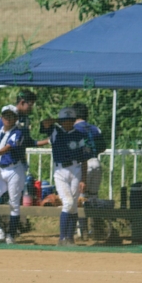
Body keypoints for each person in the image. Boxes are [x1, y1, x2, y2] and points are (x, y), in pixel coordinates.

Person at [41, 107, 88, 246]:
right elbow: (45, 123)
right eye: (64, 120)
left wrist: (83, 179)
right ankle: (62, 238)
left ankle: (70, 238)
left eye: (70, 120)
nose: (67, 123)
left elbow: (84, 158)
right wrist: (59, 120)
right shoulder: (55, 130)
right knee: (67, 202)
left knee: (73, 205)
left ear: (74, 121)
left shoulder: (79, 134)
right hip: (60, 170)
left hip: (75, 169)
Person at [0, 105, 27, 245]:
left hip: (14, 170)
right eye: (5, 115)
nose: (8, 118)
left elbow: (9, 146)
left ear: (16, 119)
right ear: (1, 117)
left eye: (11, 116)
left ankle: (11, 234)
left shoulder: (18, 132)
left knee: (14, 203)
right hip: (1, 170)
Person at [73, 102, 104, 240]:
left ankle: (82, 231)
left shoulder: (73, 129)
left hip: (82, 164)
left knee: (80, 198)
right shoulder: (95, 128)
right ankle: (97, 229)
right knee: (93, 197)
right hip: (96, 162)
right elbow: (103, 146)